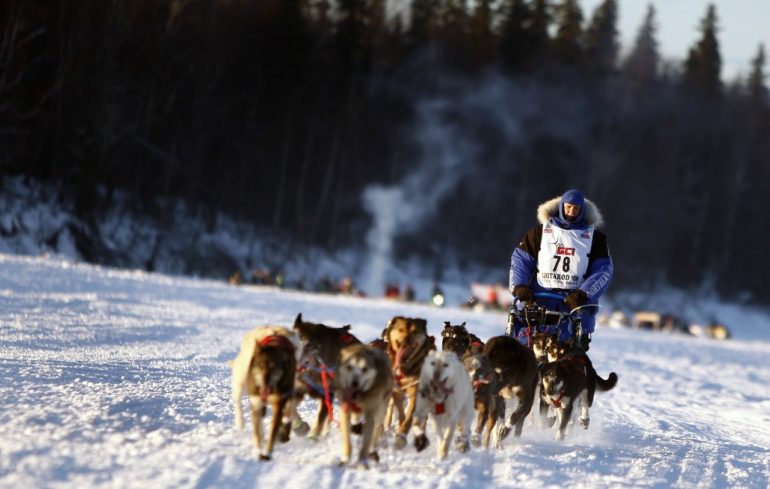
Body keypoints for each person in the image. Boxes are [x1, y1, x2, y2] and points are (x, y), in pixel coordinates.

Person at [508, 189, 613, 350]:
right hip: (539, 300)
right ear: (561, 206)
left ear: (582, 210)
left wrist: (584, 294)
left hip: (573, 304)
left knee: (567, 358)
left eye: (576, 208)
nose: (571, 212)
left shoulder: (595, 239)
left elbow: (603, 271)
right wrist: (520, 286)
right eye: (568, 207)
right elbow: (521, 260)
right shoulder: (539, 233)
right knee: (523, 348)